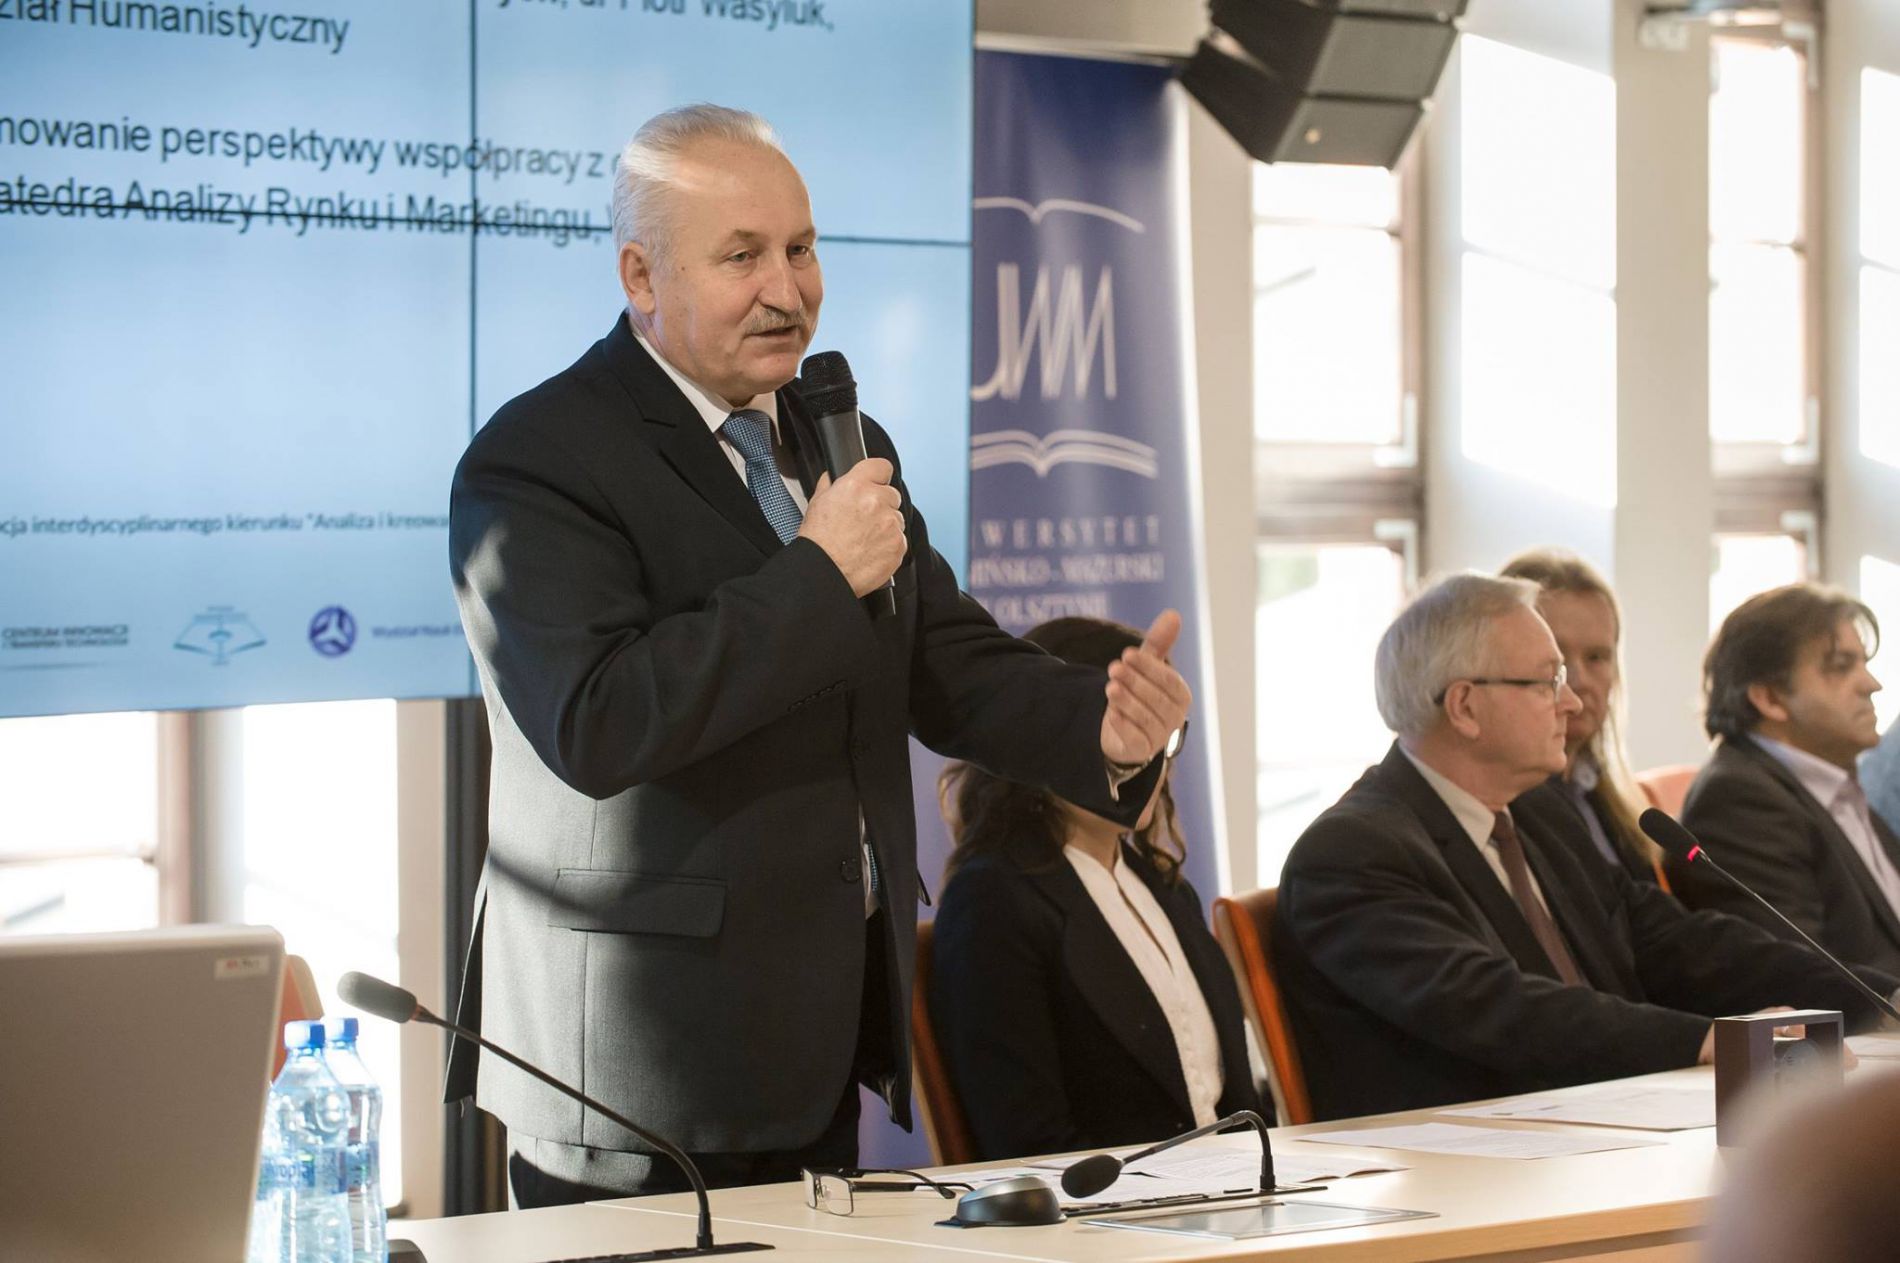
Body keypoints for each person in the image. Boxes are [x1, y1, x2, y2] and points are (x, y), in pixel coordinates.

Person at [445, 105, 1191, 1206]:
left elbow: (945, 661)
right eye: (741, 256)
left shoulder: (839, 436)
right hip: (635, 1068)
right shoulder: (539, 458)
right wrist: (816, 573)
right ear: (641, 276)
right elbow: (597, 721)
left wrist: (1103, 726)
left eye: (800, 248)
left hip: (813, 1037)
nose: (786, 289)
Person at [1271, 573, 1898, 1122]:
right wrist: (1706, 1040)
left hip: (1598, 1127)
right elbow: (1499, 1008)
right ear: (1464, 706)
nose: (1571, 703)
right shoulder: (1351, 854)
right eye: (1548, 682)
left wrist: (1877, 997)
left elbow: (1677, 943)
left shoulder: (1541, 813)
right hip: (1459, 1166)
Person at [929, 618, 1263, 1162]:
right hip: (1111, 1211)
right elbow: (1028, 1144)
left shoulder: (1163, 888)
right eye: (1131, 725)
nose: (1152, 756)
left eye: (1165, 731)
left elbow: (1236, 1105)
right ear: (1046, 730)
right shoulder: (992, 901)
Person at [1672, 585, 1900, 977]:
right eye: (1841, 667)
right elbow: (1802, 976)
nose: (1871, 684)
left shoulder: (1837, 787)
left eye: (1864, 663)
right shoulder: (1740, 802)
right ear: (1770, 698)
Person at [1499, 550, 1660, 884]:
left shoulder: (1608, 800)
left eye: (1597, 657)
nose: (1579, 680)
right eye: (1555, 658)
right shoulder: (1500, 808)